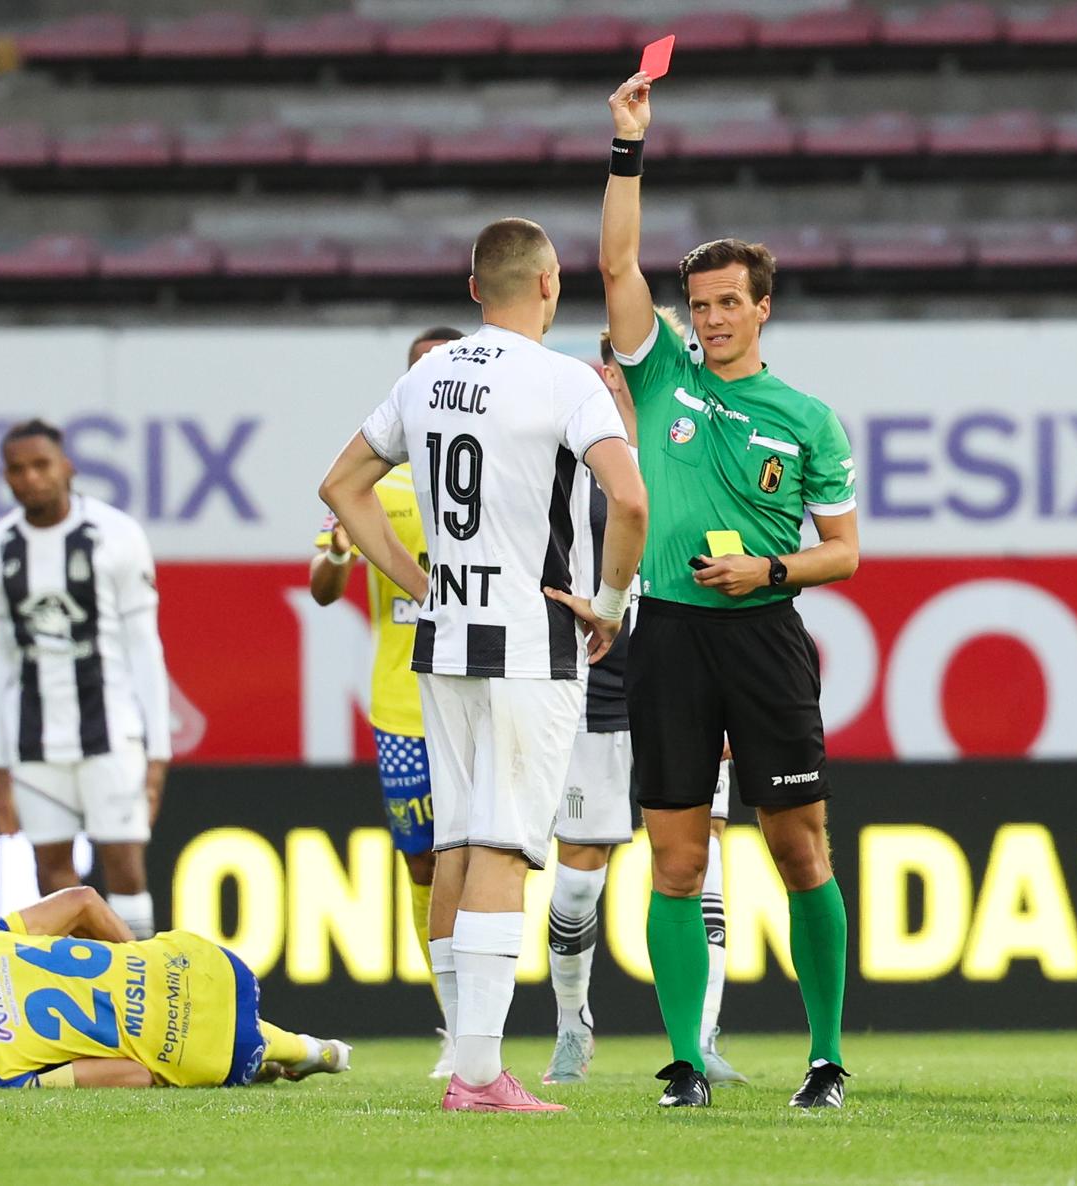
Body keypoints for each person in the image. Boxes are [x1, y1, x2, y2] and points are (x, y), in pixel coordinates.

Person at [319, 217, 648, 1113]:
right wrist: (611, 605)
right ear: (550, 285)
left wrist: (415, 579)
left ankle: (469, 1058)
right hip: (526, 641)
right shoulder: (564, 381)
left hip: (442, 642)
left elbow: (341, 486)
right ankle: (477, 1076)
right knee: (505, 845)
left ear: (474, 290)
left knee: (462, 841)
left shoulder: (427, 374)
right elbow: (630, 497)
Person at [600, 72, 860, 1110]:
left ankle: (827, 1055)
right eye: (697, 305)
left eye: (725, 305)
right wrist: (628, 148)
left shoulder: (808, 418)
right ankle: (684, 1060)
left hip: (763, 633)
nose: (708, 320)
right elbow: (617, 259)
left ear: (762, 308)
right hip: (665, 633)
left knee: (800, 847)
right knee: (674, 855)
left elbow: (844, 552)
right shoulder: (660, 372)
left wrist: (770, 569)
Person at [540, 324, 746, 1088]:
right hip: (593, 682)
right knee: (581, 872)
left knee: (705, 856)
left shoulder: (701, 444)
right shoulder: (572, 451)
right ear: (609, 367)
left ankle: (702, 1035)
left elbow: (730, 557)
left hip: (687, 674)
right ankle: (572, 1026)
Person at [310, 325, 465, 1079]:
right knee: (425, 867)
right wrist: (339, 553)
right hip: (403, 706)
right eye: (421, 370)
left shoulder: (495, 472)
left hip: (479, 694)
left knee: (490, 856)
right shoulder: (374, 481)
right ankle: (456, 1024)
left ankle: (493, 1019)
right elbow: (324, 588)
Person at [0, 887, 351, 1089]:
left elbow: (135, 1074)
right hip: (203, 961)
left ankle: (299, 1051)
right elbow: (83, 901)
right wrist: (138, 962)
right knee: (201, 1011)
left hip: (197, 1049)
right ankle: (299, 1049)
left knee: (183, 1052)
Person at [0, 419, 172, 940]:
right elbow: (1, 655)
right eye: (18, 470)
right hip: (35, 738)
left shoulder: (117, 535)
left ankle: (142, 993)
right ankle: (85, 991)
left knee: (125, 866)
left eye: (41, 465)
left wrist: (158, 750)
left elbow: (144, 645)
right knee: (52, 878)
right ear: (6, 478)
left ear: (67, 467)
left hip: (111, 732)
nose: (31, 478)